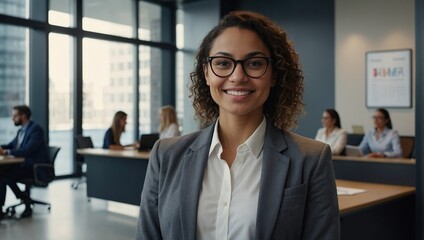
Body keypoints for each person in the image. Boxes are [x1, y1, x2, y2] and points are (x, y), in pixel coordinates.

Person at [135, 11, 339, 239]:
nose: (238, 76)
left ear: (273, 75)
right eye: (223, 63)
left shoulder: (311, 159)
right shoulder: (166, 156)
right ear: (206, 74)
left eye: (254, 63)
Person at [0, 105, 49, 220]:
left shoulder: (35, 130)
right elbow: (11, 145)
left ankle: (24, 198)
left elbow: (27, 150)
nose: (12, 119)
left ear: (23, 116)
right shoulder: (22, 130)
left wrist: (6, 152)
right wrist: (2, 148)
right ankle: (19, 199)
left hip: (33, 168)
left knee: (3, 175)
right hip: (23, 166)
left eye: (14, 116)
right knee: (1, 172)